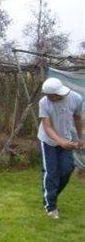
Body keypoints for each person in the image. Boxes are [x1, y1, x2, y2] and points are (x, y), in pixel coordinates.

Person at [37, 77, 83, 219]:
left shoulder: (76, 98)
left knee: (67, 169)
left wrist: (81, 137)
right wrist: (60, 142)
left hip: (66, 139)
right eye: (49, 96)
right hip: (48, 141)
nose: (52, 98)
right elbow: (48, 127)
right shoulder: (44, 103)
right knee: (51, 172)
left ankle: (51, 194)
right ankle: (51, 207)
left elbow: (78, 118)